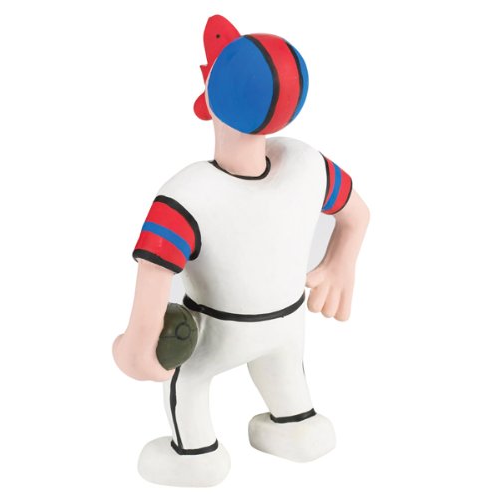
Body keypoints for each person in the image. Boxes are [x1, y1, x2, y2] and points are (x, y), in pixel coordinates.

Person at [112, 15, 370, 487]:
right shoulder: (308, 165)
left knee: (187, 381)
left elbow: (155, 272)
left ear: (211, 97)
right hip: (286, 325)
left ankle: (196, 455)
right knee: (284, 371)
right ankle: (297, 424)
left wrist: (137, 344)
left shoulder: (186, 194)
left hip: (216, 332)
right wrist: (339, 264)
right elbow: (358, 214)